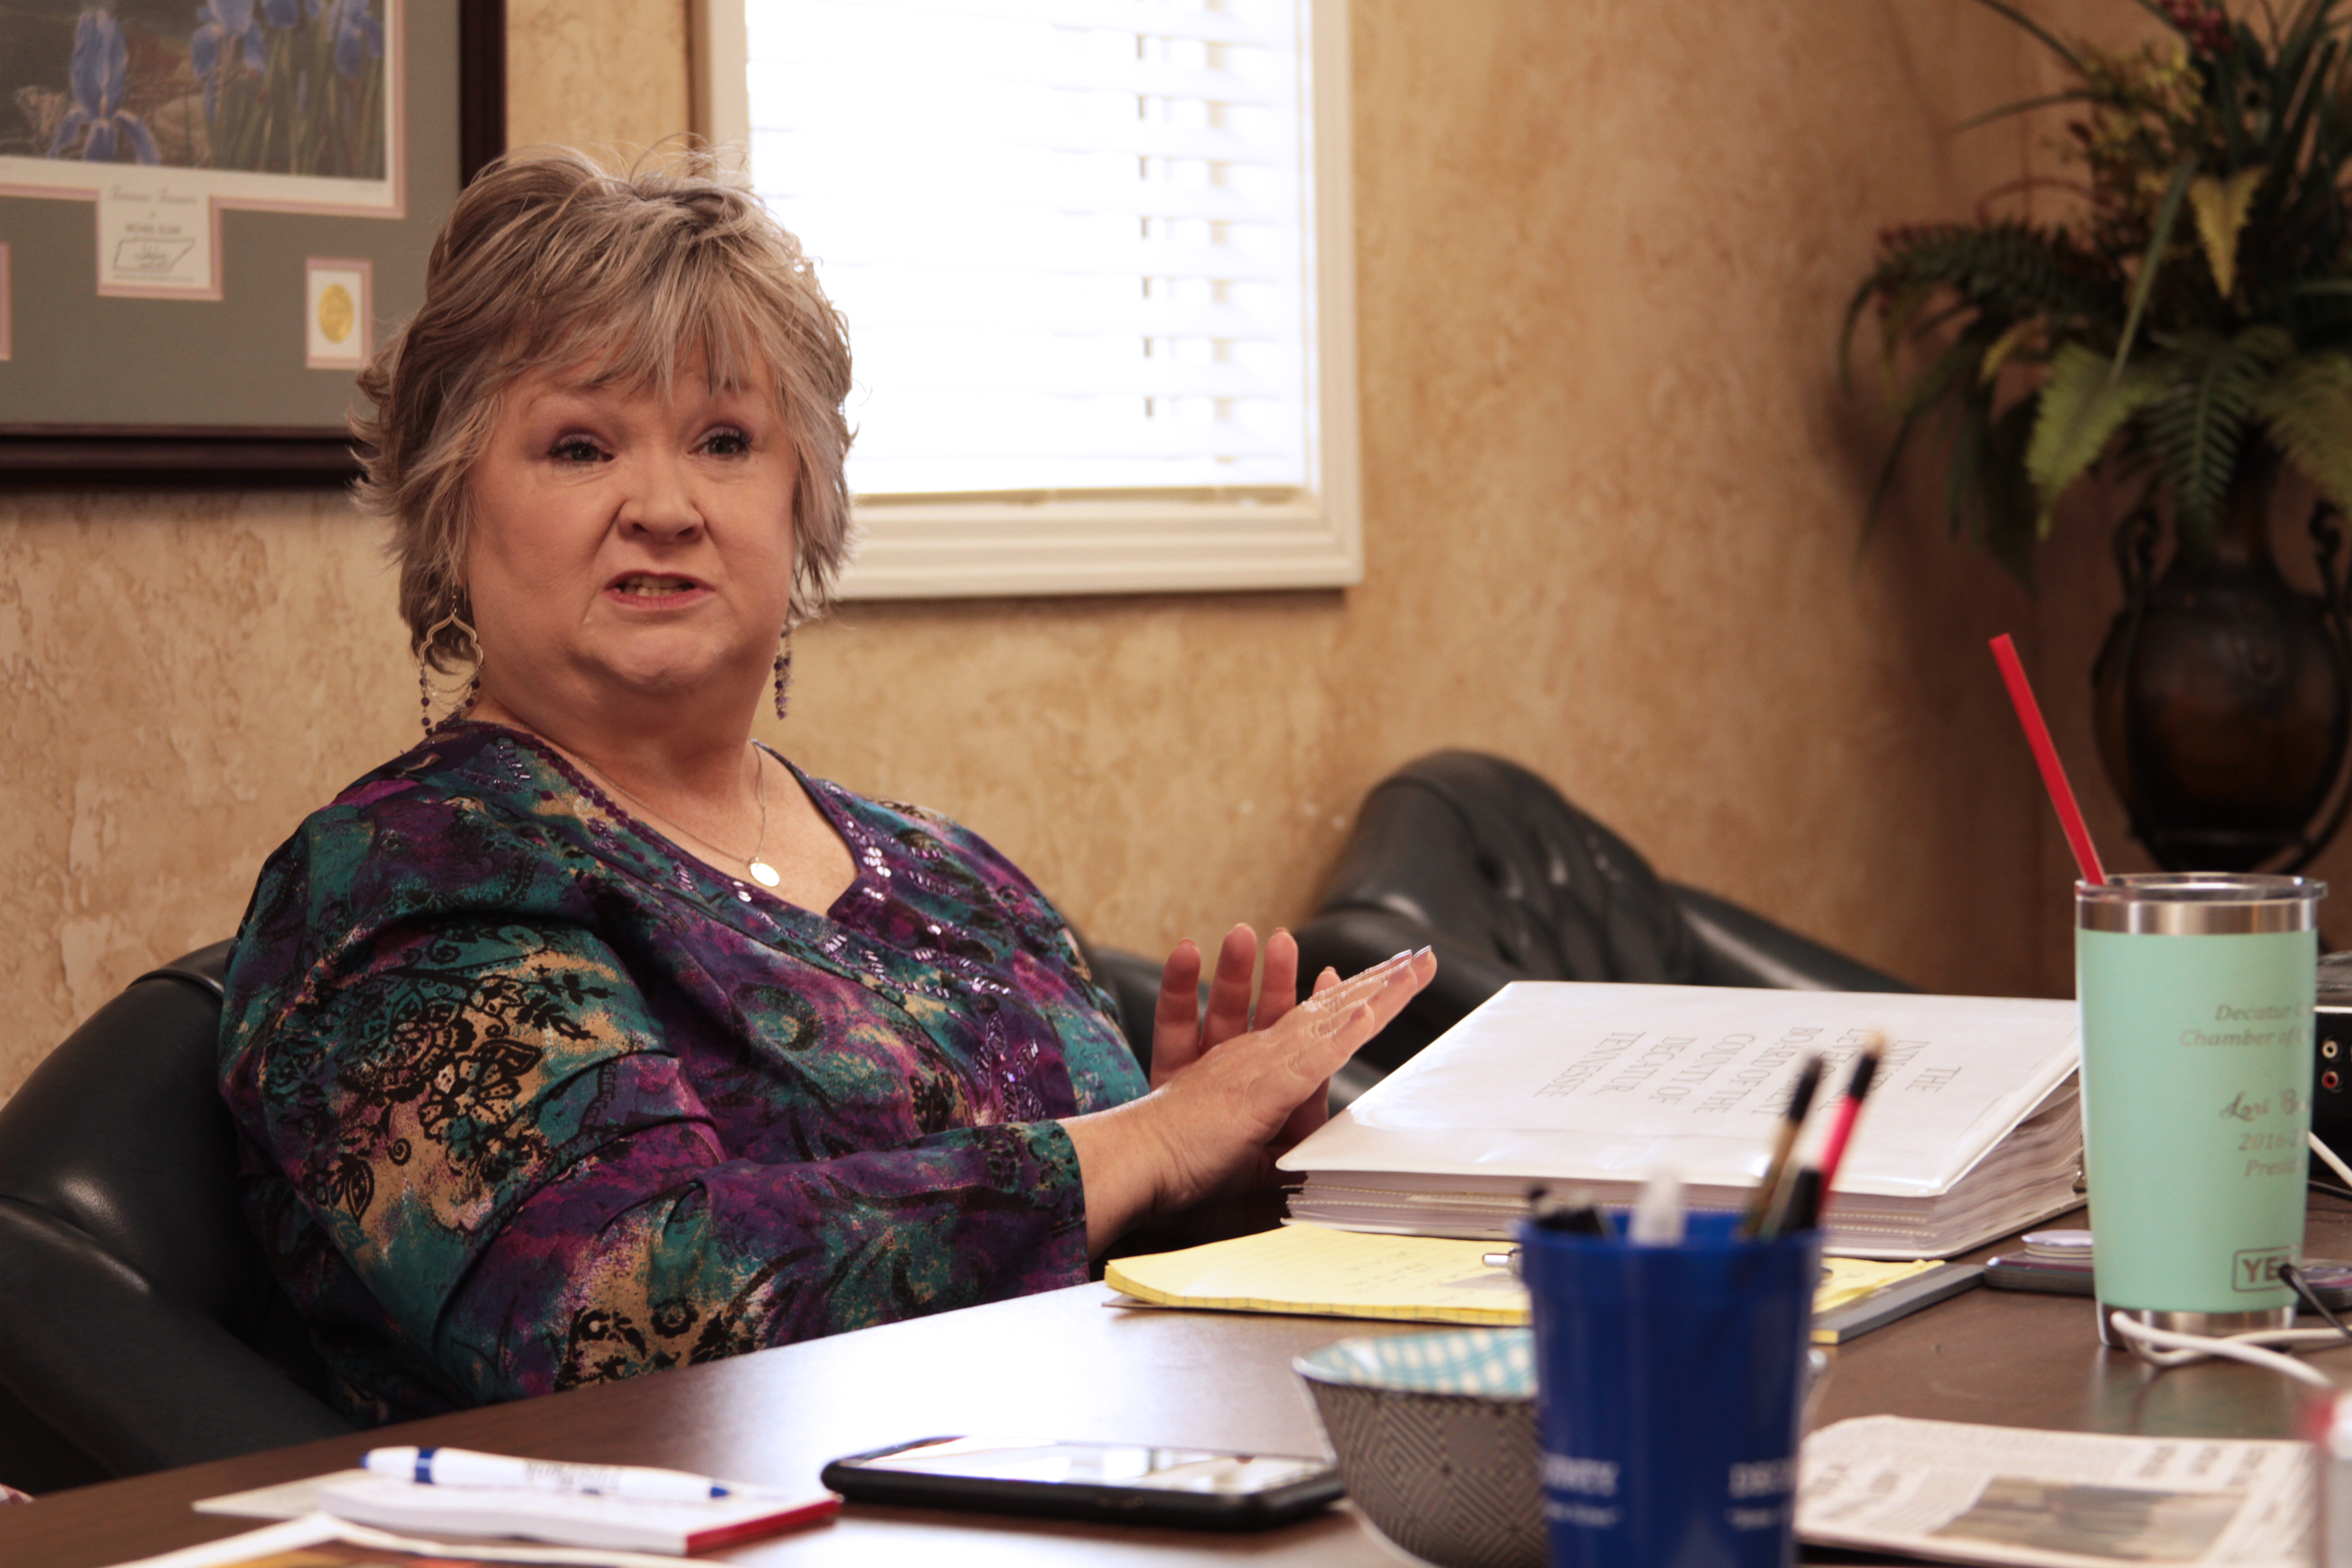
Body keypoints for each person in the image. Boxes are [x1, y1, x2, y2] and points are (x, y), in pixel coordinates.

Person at [216, 149, 1435, 1425]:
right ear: (450, 506)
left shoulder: (952, 871)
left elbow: (1113, 1260)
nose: (667, 505)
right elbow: (620, 1311)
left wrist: (1221, 1174)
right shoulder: (406, 874)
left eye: (727, 441)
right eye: (580, 446)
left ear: (804, 502)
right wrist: (1143, 1143)